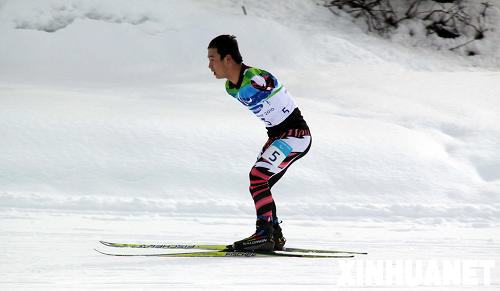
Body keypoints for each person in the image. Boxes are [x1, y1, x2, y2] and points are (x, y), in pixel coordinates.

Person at [207, 35, 311, 252]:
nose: (209, 65)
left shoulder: (254, 76)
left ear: (228, 59)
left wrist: (265, 84)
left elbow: (269, 83)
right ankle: (274, 234)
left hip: (295, 135)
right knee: (261, 183)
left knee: (258, 177)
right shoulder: (231, 87)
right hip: (278, 136)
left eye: (212, 59)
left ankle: (263, 234)